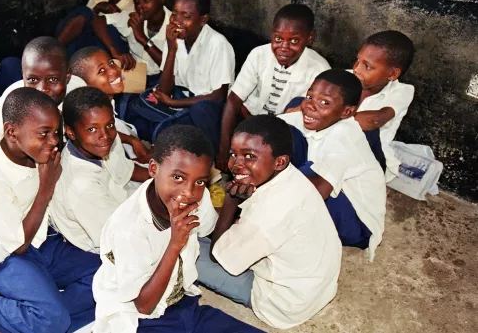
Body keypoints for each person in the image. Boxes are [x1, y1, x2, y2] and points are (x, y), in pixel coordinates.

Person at [92, 125, 263, 333]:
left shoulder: (198, 198)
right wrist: (175, 244)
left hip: (183, 303)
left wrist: (231, 202)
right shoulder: (129, 228)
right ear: (153, 169)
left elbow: (212, 232)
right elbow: (144, 306)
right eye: (178, 178)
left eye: (200, 181)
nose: (188, 192)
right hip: (140, 319)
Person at [0, 88, 100, 332]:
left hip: (41, 240)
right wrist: (46, 187)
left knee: (106, 276)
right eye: (44, 134)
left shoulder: (38, 152)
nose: (54, 141)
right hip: (3, 251)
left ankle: (42, 315)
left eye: (56, 133)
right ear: (11, 132)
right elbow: (17, 245)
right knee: (55, 319)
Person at [196, 115, 342, 329]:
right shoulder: (292, 176)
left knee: (182, 249)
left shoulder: (269, 215)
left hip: (282, 303)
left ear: (279, 161)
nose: (236, 165)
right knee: (201, 234)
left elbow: (217, 256)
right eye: (233, 154)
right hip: (315, 285)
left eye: (249, 156)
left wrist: (231, 202)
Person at [279, 69, 387, 261]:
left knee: (301, 174)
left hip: (357, 223)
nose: (310, 106)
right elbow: (266, 130)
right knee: (281, 135)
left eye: (325, 102)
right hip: (329, 192)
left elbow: (319, 191)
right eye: (310, 96)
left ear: (346, 112)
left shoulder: (345, 137)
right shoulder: (312, 115)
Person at [120, 0, 236, 151]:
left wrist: (174, 102)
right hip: (180, 100)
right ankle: (178, 135)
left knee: (194, 114)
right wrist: (172, 48)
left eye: (186, 16)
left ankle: (194, 143)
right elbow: (165, 89)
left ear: (203, 20)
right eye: (174, 14)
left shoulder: (218, 45)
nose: (177, 21)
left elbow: (218, 97)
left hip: (207, 110)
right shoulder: (175, 38)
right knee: (133, 107)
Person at [216, 4, 330, 171]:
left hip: (283, 132)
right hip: (250, 120)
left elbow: (305, 118)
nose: (283, 47)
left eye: (294, 41)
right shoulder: (259, 54)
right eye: (278, 38)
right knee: (207, 110)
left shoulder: (319, 70)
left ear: (309, 39)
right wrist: (223, 149)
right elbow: (234, 100)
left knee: (298, 110)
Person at [49, 87, 149, 255]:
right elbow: (119, 241)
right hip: (114, 243)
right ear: (71, 132)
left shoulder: (100, 143)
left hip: (125, 207)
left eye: (110, 124)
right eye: (92, 129)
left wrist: (160, 176)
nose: (106, 135)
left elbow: (127, 170)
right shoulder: (81, 187)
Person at [0, 36, 86, 155]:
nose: (42, 89)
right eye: (33, 79)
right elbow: (6, 155)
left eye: (53, 79)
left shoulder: (78, 94)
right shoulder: (13, 103)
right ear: (23, 75)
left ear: (67, 76)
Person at [352, 30, 415, 181]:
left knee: (367, 131)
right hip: (335, 144)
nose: (356, 69)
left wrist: (329, 116)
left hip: (370, 157)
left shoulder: (402, 92)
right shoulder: (347, 77)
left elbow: (375, 120)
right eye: (357, 60)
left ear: (393, 74)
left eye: (367, 66)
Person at [69, 46, 151, 161]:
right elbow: (118, 171)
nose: (113, 70)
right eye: (101, 71)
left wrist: (131, 140)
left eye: (111, 63)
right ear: (84, 84)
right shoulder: (96, 133)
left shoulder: (107, 107)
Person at [91, 0, 170, 87]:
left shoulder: (175, 25)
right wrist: (114, 51)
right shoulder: (132, 16)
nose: (140, 6)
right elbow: (97, 21)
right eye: (137, 1)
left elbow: (172, 67)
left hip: (162, 80)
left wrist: (142, 38)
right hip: (136, 76)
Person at [56, 0, 133, 58]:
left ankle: (53, 51)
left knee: (107, 26)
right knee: (84, 12)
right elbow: (82, 23)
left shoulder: (133, 4)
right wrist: (97, 8)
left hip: (116, 48)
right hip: (90, 46)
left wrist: (116, 15)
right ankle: (55, 49)